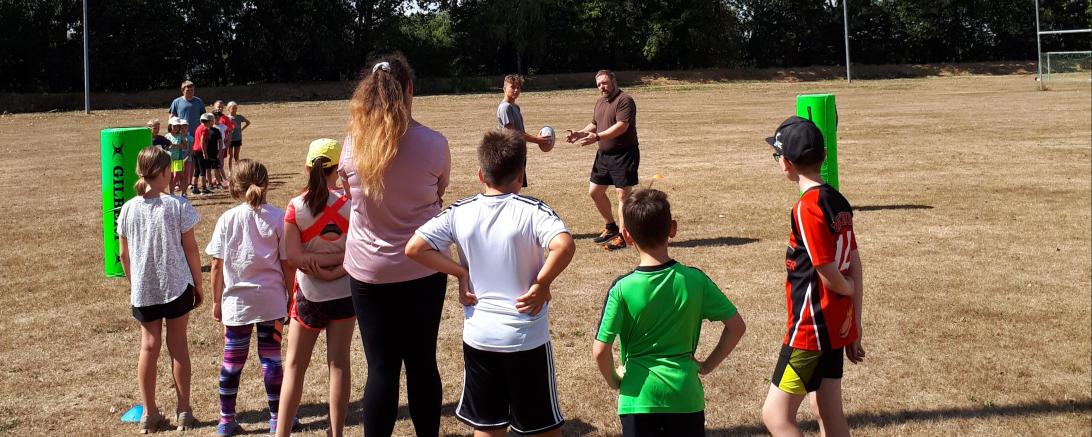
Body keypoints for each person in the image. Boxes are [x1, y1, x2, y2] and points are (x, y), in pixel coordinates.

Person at [406, 129, 576, 437]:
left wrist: (458, 272)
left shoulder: (461, 211)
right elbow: (563, 246)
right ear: (521, 174)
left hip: (479, 337)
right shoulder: (533, 211)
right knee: (543, 429)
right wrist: (542, 283)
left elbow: (415, 247)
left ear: (480, 174)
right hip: (525, 339)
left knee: (487, 426)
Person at [338, 54, 450, 437]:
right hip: (423, 267)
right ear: (410, 90)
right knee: (422, 363)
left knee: (381, 369)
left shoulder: (352, 146)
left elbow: (348, 195)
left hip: (369, 273)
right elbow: (438, 192)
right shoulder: (434, 143)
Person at [592, 188, 746, 437]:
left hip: (637, 398)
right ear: (672, 228)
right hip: (685, 396)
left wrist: (614, 380)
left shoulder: (622, 289)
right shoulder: (695, 280)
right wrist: (706, 366)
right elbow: (737, 326)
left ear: (627, 235)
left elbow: (600, 350)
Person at [759, 116, 864, 437]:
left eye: (777, 156)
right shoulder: (837, 200)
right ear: (824, 156)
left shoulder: (808, 207)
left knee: (775, 416)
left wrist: (844, 288)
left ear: (786, 163)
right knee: (827, 410)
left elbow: (829, 271)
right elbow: (855, 264)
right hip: (835, 326)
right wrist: (854, 324)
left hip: (810, 330)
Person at [206, 159, 297, 436]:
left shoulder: (227, 219)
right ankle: (276, 419)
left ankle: (225, 420)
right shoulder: (278, 218)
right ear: (266, 184)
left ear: (234, 187)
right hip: (271, 302)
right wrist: (291, 296)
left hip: (236, 304)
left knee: (232, 363)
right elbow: (286, 265)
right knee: (271, 359)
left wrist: (216, 301)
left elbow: (217, 266)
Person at [116, 146, 203, 433]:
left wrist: (134, 284)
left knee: (148, 347)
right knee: (178, 346)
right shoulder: (178, 206)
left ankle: (149, 414)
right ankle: (184, 412)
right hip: (177, 286)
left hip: (144, 291)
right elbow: (191, 250)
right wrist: (198, 284)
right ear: (165, 172)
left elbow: (124, 255)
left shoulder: (127, 209)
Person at [277, 139, 355, 437]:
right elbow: (358, 251)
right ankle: (337, 433)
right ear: (337, 169)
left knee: (295, 366)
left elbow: (293, 257)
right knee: (339, 365)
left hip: (309, 293)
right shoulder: (351, 205)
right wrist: (338, 264)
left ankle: (281, 433)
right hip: (345, 292)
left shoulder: (296, 207)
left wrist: (318, 267)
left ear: (308, 167)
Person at [564, 70, 640, 251]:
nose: (602, 87)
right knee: (595, 192)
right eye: (599, 84)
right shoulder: (600, 102)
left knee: (623, 195)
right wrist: (580, 133)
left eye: (605, 83)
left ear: (613, 80)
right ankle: (611, 227)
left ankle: (624, 236)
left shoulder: (624, 100)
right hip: (604, 156)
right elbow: (595, 124)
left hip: (624, 154)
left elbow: (622, 127)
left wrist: (597, 137)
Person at [496, 74, 553, 187]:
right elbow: (513, 133)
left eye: (518, 87)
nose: (516, 90)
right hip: (509, 153)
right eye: (512, 87)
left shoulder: (515, 107)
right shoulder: (505, 108)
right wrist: (537, 139)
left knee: (517, 186)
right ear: (504, 89)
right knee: (510, 187)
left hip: (519, 152)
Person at [193, 113, 223, 195]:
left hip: (194, 150)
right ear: (208, 121)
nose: (212, 123)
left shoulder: (198, 127)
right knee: (203, 171)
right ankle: (203, 188)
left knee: (197, 171)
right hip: (200, 151)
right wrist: (204, 152)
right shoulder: (205, 129)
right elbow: (202, 141)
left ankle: (195, 188)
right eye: (211, 121)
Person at [168, 80, 206, 145]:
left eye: (192, 90)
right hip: (181, 133)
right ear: (183, 91)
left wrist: (203, 130)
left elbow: (203, 117)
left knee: (194, 152)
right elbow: (172, 117)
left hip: (196, 132)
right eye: (188, 90)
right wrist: (170, 130)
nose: (190, 92)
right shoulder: (176, 102)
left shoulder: (199, 101)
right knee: (182, 151)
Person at [164, 117, 189, 196]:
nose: (176, 128)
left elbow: (184, 146)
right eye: (174, 126)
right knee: (170, 177)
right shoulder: (167, 136)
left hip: (179, 158)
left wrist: (176, 145)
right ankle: (171, 193)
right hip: (170, 159)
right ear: (170, 126)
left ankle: (183, 193)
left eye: (177, 126)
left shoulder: (180, 135)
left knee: (181, 176)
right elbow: (165, 147)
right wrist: (169, 147)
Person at [212, 101, 233, 187]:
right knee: (214, 165)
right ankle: (216, 179)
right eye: (218, 107)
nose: (220, 108)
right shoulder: (210, 120)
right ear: (214, 107)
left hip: (222, 146)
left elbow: (230, 131)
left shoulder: (224, 120)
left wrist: (227, 142)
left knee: (220, 163)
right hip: (212, 147)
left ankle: (222, 179)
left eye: (221, 107)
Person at [227, 101, 250, 177]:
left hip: (238, 138)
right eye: (233, 108)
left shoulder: (239, 117)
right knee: (230, 156)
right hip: (229, 139)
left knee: (236, 156)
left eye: (235, 108)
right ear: (228, 109)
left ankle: (237, 170)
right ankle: (230, 171)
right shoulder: (226, 118)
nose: (234, 110)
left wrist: (241, 129)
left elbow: (248, 122)